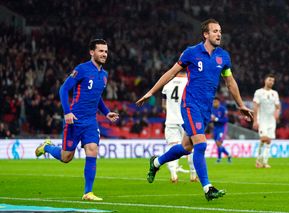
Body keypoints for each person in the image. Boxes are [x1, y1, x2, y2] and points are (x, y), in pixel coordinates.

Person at [136, 19, 253, 201]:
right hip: (190, 105)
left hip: (206, 109)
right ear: (205, 34)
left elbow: (230, 82)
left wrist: (241, 105)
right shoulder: (191, 52)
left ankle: (156, 162)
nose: (218, 34)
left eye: (220, 31)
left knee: (186, 147)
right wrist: (151, 92)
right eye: (214, 31)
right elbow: (171, 72)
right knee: (201, 144)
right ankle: (208, 188)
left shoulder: (223, 57)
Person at [35, 39, 119, 201]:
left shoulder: (104, 75)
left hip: (90, 122)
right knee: (66, 157)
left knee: (92, 150)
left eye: (106, 51)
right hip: (74, 120)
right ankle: (47, 147)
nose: (104, 54)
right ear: (91, 52)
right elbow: (64, 89)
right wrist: (67, 112)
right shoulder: (81, 69)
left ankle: (88, 192)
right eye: (100, 51)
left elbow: (97, 97)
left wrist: (106, 112)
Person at [161, 71, 197, 183]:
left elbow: (163, 105)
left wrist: (172, 111)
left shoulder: (167, 84)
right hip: (186, 120)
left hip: (171, 120)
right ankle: (193, 175)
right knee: (191, 147)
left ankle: (173, 175)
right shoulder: (190, 83)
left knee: (173, 147)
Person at [253, 74, 280, 168]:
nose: (271, 82)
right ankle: (259, 160)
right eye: (269, 80)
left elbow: (277, 106)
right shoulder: (259, 92)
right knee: (264, 139)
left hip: (271, 121)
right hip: (262, 120)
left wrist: (277, 112)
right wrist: (255, 120)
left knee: (268, 141)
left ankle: (264, 162)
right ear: (265, 80)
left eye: (273, 81)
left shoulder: (275, 93)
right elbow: (255, 106)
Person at [211, 97, 231, 163]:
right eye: (213, 102)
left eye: (215, 102)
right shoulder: (212, 109)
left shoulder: (223, 109)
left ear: (218, 102)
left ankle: (219, 158)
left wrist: (216, 119)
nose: (214, 104)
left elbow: (226, 120)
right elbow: (210, 119)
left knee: (218, 142)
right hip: (215, 128)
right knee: (218, 144)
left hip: (222, 127)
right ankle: (228, 155)